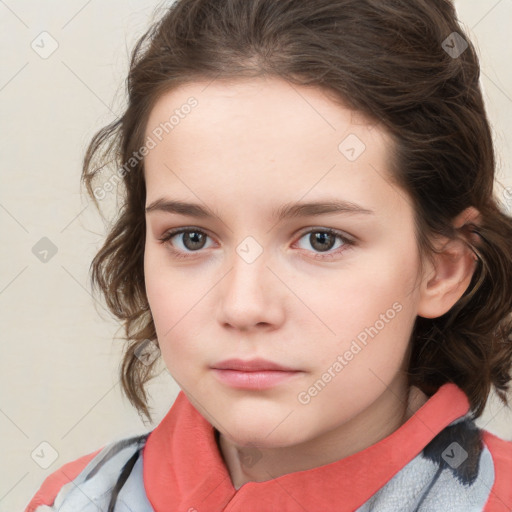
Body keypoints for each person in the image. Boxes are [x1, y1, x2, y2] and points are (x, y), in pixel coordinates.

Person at [25, 0, 512, 510]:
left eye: (321, 239)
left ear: (443, 268)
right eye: (191, 237)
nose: (243, 306)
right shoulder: (70, 499)